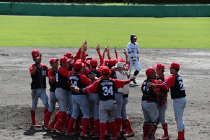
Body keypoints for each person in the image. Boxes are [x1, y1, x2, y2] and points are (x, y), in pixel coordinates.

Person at [71, 66, 135, 140]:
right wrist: (131, 79)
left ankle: (102, 137)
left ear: (101, 73)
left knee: (102, 121)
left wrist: (78, 90)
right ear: (108, 73)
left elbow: (87, 89)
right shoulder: (113, 81)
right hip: (112, 103)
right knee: (112, 120)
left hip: (103, 103)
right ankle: (114, 136)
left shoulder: (99, 82)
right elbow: (124, 82)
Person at [147, 62, 186, 140]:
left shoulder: (172, 77)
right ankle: (181, 137)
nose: (169, 69)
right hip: (182, 99)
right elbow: (165, 84)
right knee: (180, 119)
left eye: (171, 68)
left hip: (178, 100)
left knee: (178, 119)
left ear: (174, 69)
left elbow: (164, 86)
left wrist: (153, 85)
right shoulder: (178, 77)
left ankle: (180, 138)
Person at [65, 62, 92, 138]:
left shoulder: (71, 76)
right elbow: (90, 83)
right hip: (81, 96)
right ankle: (83, 132)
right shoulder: (82, 76)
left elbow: (68, 83)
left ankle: (68, 130)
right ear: (81, 69)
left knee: (74, 114)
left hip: (73, 96)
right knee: (86, 114)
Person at [141, 67, 166, 140]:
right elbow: (157, 92)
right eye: (154, 72)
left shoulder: (144, 81)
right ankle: (149, 137)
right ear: (151, 74)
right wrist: (164, 94)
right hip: (151, 103)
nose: (155, 73)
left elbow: (142, 90)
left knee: (147, 121)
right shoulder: (154, 82)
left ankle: (145, 136)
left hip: (143, 102)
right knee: (155, 121)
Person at [29, 49, 49, 127]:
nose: (39, 59)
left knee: (47, 104)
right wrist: (36, 64)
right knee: (34, 105)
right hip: (35, 90)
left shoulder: (44, 67)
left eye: (40, 57)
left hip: (43, 89)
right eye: (37, 58)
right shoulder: (32, 67)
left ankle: (45, 121)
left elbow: (49, 75)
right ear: (34, 59)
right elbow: (33, 72)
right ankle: (33, 122)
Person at [53, 56, 71, 134]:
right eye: (66, 62)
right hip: (61, 91)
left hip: (60, 90)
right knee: (63, 110)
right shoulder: (62, 69)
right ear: (62, 63)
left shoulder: (62, 69)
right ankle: (57, 127)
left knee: (62, 110)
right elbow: (69, 74)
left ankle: (53, 125)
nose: (68, 63)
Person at [154, 63, 170, 140]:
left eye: (156, 69)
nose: (155, 70)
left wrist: (161, 84)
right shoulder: (156, 77)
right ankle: (152, 134)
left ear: (160, 70)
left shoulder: (165, 79)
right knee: (156, 118)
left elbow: (167, 90)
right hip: (155, 101)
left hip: (162, 102)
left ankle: (166, 135)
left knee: (161, 118)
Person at [43, 58, 59, 130]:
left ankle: (53, 124)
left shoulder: (59, 70)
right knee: (51, 108)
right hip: (53, 92)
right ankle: (46, 125)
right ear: (51, 65)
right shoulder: (50, 72)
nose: (57, 63)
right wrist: (57, 74)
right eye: (55, 62)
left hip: (60, 92)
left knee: (63, 109)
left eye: (57, 62)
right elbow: (52, 81)